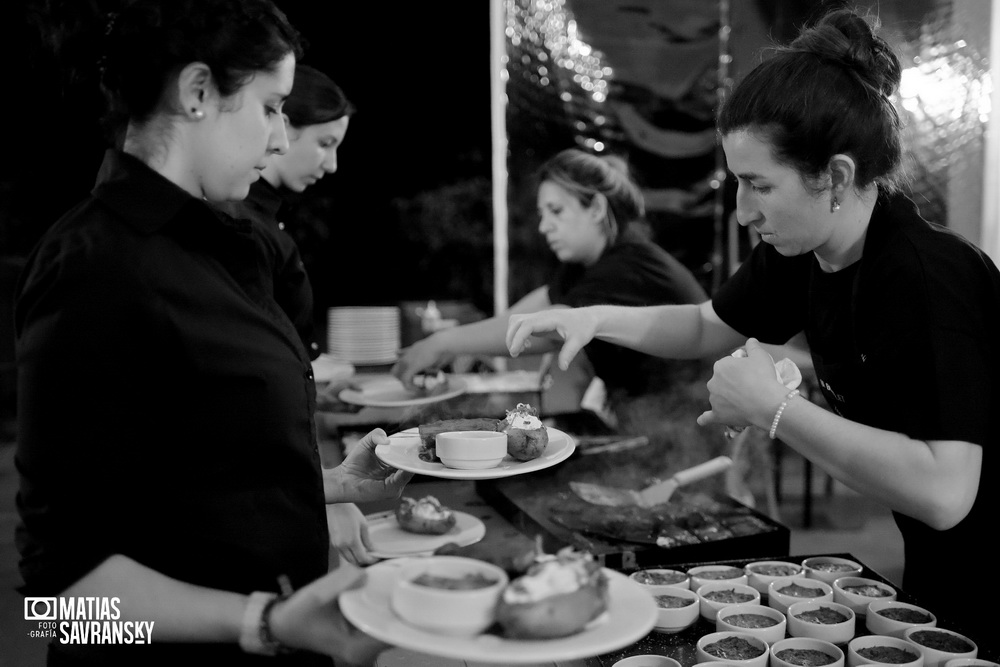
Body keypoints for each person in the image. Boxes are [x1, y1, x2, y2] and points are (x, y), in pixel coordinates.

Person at [506, 8, 996, 641]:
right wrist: (594, 317)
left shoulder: (926, 276)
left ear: (836, 176)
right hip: (936, 560)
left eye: (757, 185)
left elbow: (944, 492)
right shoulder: (808, 249)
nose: (741, 212)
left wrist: (776, 408)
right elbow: (706, 325)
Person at [14, 2, 411, 665]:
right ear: (198, 93)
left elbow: (199, 482)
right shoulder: (93, 266)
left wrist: (335, 483)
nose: (283, 139)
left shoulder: (229, 244)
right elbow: (62, 607)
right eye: (271, 106)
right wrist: (265, 620)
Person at [393, 148, 718, 469]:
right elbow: (524, 320)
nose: (543, 226)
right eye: (542, 213)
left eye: (556, 211)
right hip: (650, 422)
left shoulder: (629, 266)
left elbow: (549, 332)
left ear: (596, 209)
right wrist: (457, 345)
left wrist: (443, 343)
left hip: (693, 426)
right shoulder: (583, 266)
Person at [213, 66, 375, 566]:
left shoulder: (261, 219)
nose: (330, 165)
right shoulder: (238, 226)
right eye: (324, 143)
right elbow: (251, 387)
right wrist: (322, 490)